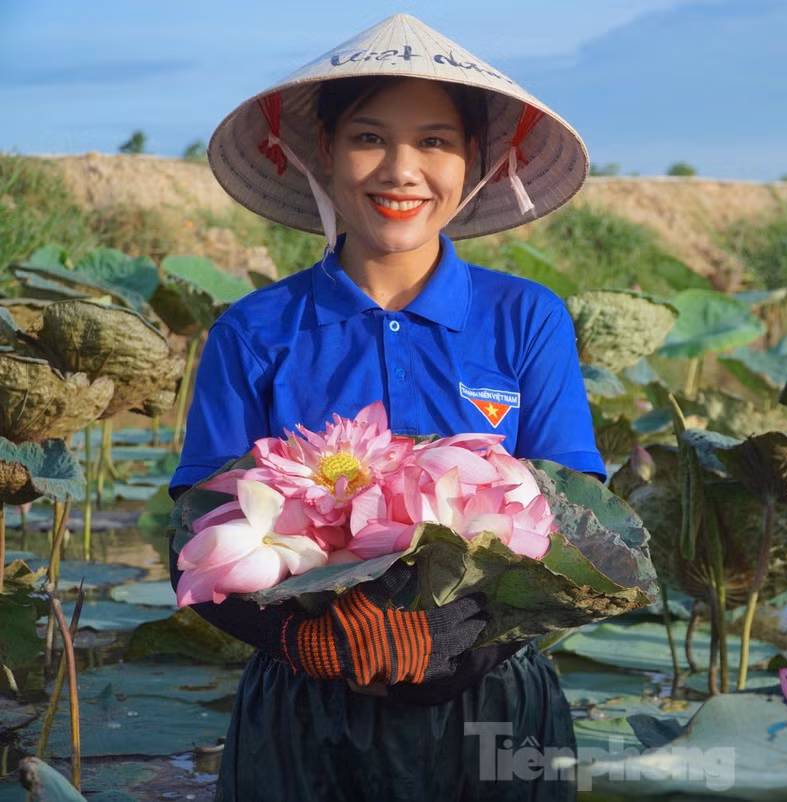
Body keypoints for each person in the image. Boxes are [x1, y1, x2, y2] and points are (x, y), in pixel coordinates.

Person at [168, 13, 602, 801]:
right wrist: (302, 640)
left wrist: (462, 644)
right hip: (305, 713)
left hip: (493, 703)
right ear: (322, 152)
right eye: (369, 138)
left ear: (475, 160)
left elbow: (581, 523)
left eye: (434, 141)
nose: (402, 170)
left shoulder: (526, 319)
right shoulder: (254, 331)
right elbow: (194, 534)